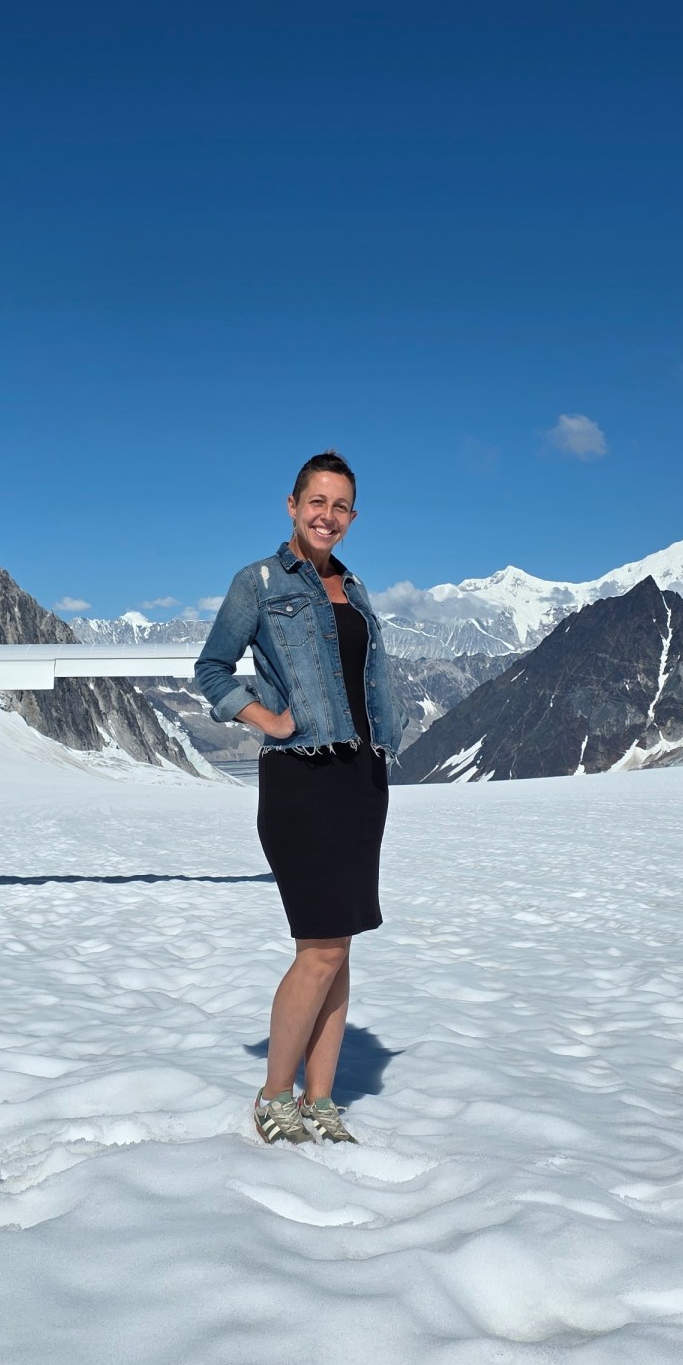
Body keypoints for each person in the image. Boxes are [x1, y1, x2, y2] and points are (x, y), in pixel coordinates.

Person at [194, 450, 405, 1146]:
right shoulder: (257, 582)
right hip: (301, 780)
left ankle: (320, 1100)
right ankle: (273, 1096)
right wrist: (270, 720)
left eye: (340, 506)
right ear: (292, 505)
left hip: (360, 782)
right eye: (317, 502)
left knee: (338, 948)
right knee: (318, 948)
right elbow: (211, 669)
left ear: (353, 516)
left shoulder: (356, 588)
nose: (327, 516)